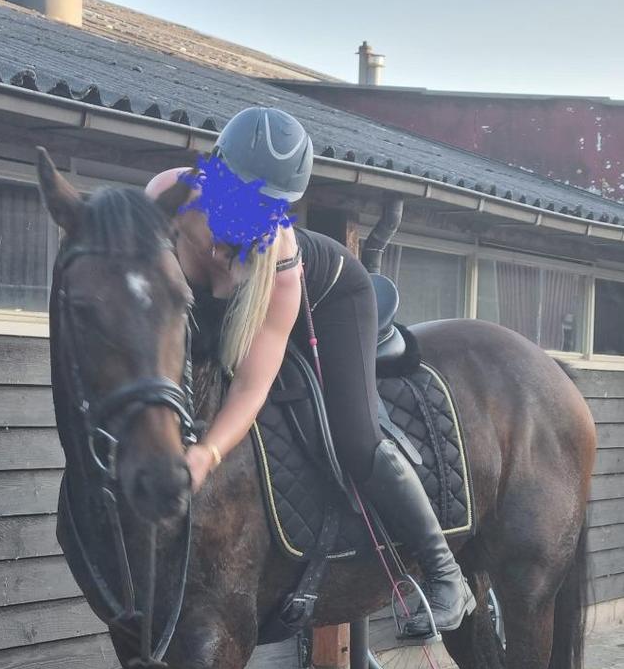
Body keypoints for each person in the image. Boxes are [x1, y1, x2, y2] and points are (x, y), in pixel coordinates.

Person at [145, 107, 475, 638]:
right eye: (241, 196)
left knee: (356, 435)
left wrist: (207, 452)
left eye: (270, 206)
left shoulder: (280, 265)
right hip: (227, 309)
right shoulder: (168, 199)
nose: (253, 216)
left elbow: (253, 383)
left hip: (332, 298)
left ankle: (444, 573)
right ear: (215, 172)